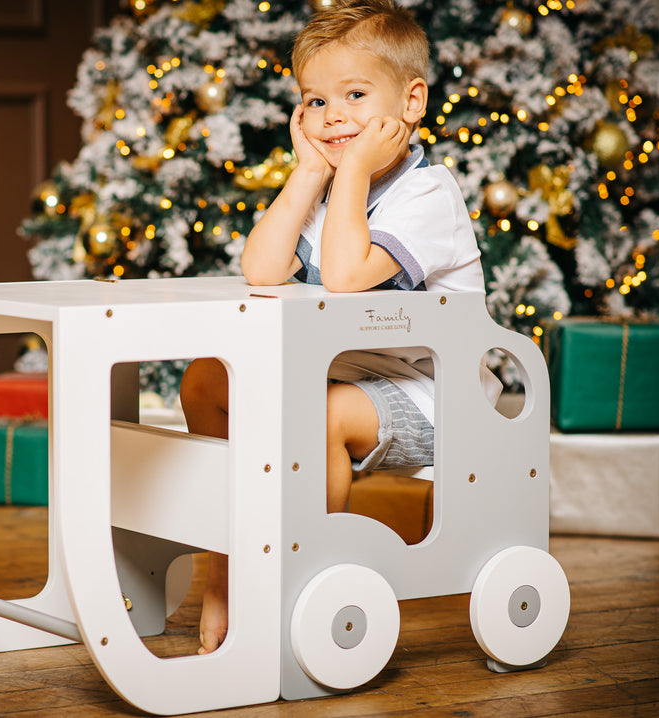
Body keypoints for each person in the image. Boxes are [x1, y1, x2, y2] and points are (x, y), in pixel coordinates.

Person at [179, 0, 499, 655]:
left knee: (321, 415)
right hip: (356, 378)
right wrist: (309, 173)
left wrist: (349, 171)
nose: (333, 117)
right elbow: (262, 270)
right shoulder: (329, 190)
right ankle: (229, 561)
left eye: (355, 95)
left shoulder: (427, 195)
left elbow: (345, 276)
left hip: (443, 397)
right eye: (315, 101)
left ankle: (305, 579)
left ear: (411, 103)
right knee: (206, 380)